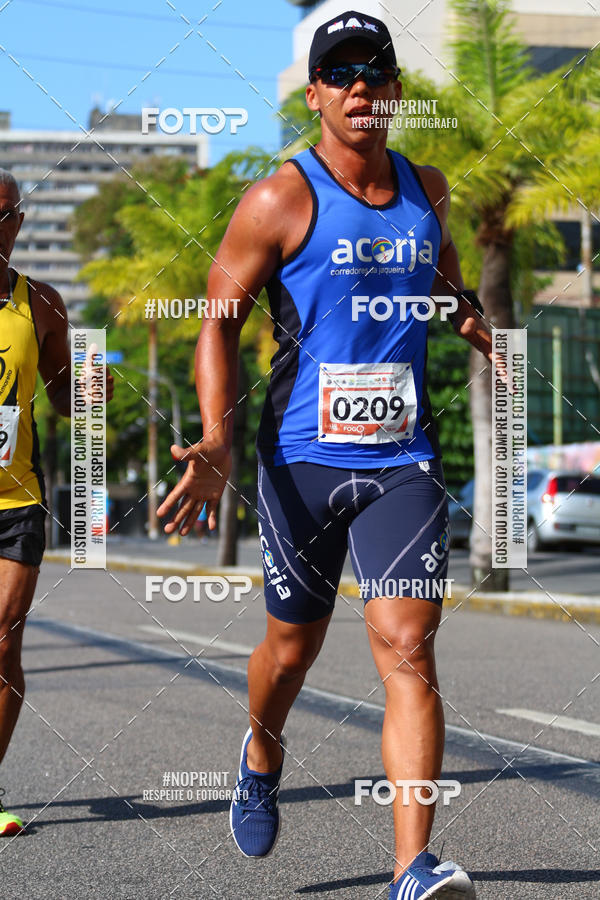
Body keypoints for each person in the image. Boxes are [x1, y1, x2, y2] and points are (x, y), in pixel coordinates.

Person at [158, 11, 493, 898]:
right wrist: (219, 437)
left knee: (409, 647)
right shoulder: (280, 200)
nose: (359, 90)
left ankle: (412, 867)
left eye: (375, 75)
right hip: (300, 460)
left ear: (393, 93)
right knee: (290, 650)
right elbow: (217, 322)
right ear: (315, 95)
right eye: (340, 76)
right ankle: (261, 750)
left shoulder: (429, 187)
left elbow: (442, 264)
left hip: (402, 460)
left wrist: (464, 309)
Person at [0, 169, 113, 834]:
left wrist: (94, 392)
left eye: (5, 216)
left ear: (17, 223)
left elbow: (69, 393)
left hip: (18, 501)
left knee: (5, 642)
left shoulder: (41, 303)